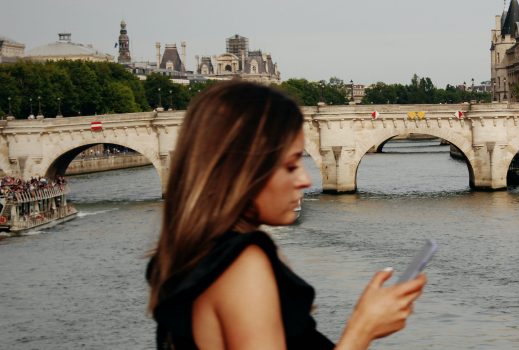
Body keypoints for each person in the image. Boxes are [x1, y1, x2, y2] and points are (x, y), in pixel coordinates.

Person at [147, 82, 427, 349]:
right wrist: (363, 329)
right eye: (291, 166)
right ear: (244, 168)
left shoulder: (194, 259)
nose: (305, 180)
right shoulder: (241, 264)